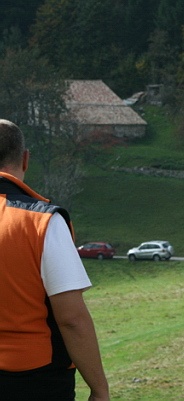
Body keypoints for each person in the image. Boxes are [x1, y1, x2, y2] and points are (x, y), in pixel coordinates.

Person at [0, 119, 110, 401]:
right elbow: (71, 318)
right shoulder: (42, 222)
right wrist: (99, 390)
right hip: (32, 379)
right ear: (25, 159)